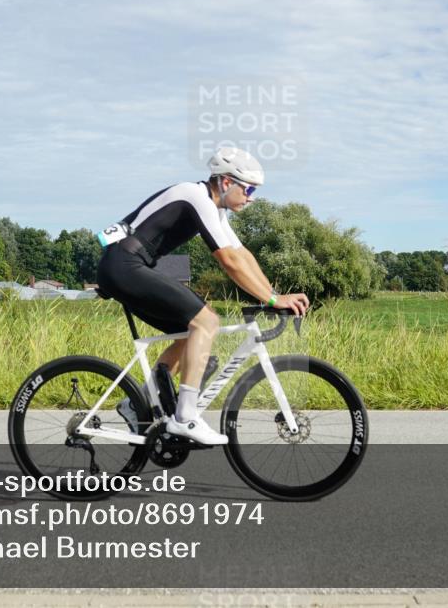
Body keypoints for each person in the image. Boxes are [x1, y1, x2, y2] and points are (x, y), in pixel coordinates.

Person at [95, 147, 310, 445]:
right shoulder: (196, 198)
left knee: (189, 330)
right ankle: (186, 417)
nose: (251, 197)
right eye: (248, 189)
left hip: (129, 265)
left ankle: (137, 403)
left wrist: (274, 294)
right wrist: (273, 301)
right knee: (206, 321)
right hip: (123, 265)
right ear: (225, 183)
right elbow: (229, 262)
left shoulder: (214, 208)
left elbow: (241, 254)